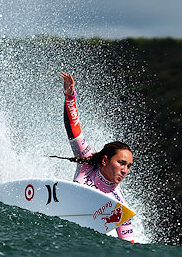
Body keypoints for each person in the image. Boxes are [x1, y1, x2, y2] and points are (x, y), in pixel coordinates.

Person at [51, 72, 135, 242]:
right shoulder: (87, 161)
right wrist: (70, 96)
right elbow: (74, 128)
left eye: (128, 166)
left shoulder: (119, 206)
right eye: (121, 163)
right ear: (104, 160)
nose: (125, 170)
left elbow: (129, 245)